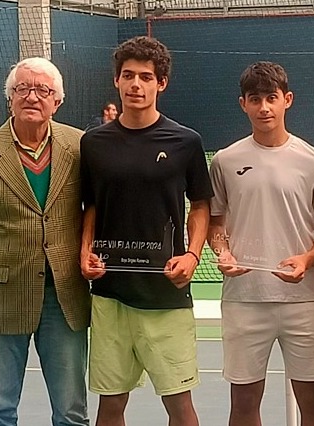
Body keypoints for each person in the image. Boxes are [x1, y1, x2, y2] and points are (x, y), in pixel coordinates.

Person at [79, 36, 213, 426]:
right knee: (110, 406)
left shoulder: (186, 142)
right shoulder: (93, 143)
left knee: (180, 407)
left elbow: (201, 205)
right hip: (110, 295)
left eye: (145, 77)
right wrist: (84, 252)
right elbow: (90, 206)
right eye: (128, 76)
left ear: (161, 83)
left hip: (165, 294)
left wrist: (192, 256)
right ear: (116, 82)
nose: (136, 85)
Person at [0, 57, 91, 426]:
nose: (32, 96)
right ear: (9, 98)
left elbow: (95, 212)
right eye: (22, 89)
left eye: (42, 90)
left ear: (57, 101)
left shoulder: (81, 147)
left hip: (64, 299)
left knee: (72, 413)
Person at [207, 61, 314, 426]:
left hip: (305, 301)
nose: (264, 107)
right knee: (244, 401)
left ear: (287, 100)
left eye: (271, 98)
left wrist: (308, 260)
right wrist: (222, 251)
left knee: (313, 400)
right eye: (255, 99)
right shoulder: (225, 161)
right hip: (244, 300)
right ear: (243, 103)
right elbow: (215, 223)